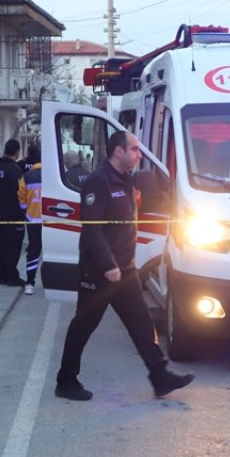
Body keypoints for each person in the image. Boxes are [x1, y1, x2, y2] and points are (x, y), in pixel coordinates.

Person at [55, 130, 194, 401]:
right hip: (99, 271)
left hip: (125, 270)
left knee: (141, 323)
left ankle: (160, 376)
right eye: (135, 150)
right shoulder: (99, 183)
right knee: (83, 325)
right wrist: (108, 265)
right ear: (119, 151)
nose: (138, 155)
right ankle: (66, 380)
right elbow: (92, 230)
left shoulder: (126, 181)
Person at [0, 139, 27, 286]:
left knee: (3, 246)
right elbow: (20, 193)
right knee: (13, 247)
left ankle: (2, 275)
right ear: (17, 152)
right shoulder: (15, 170)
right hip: (12, 215)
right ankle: (11, 276)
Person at [17, 144, 42, 295]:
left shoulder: (27, 176)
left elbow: (21, 197)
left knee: (33, 251)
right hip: (53, 221)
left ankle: (30, 283)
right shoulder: (53, 176)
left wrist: (27, 210)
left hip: (33, 221)